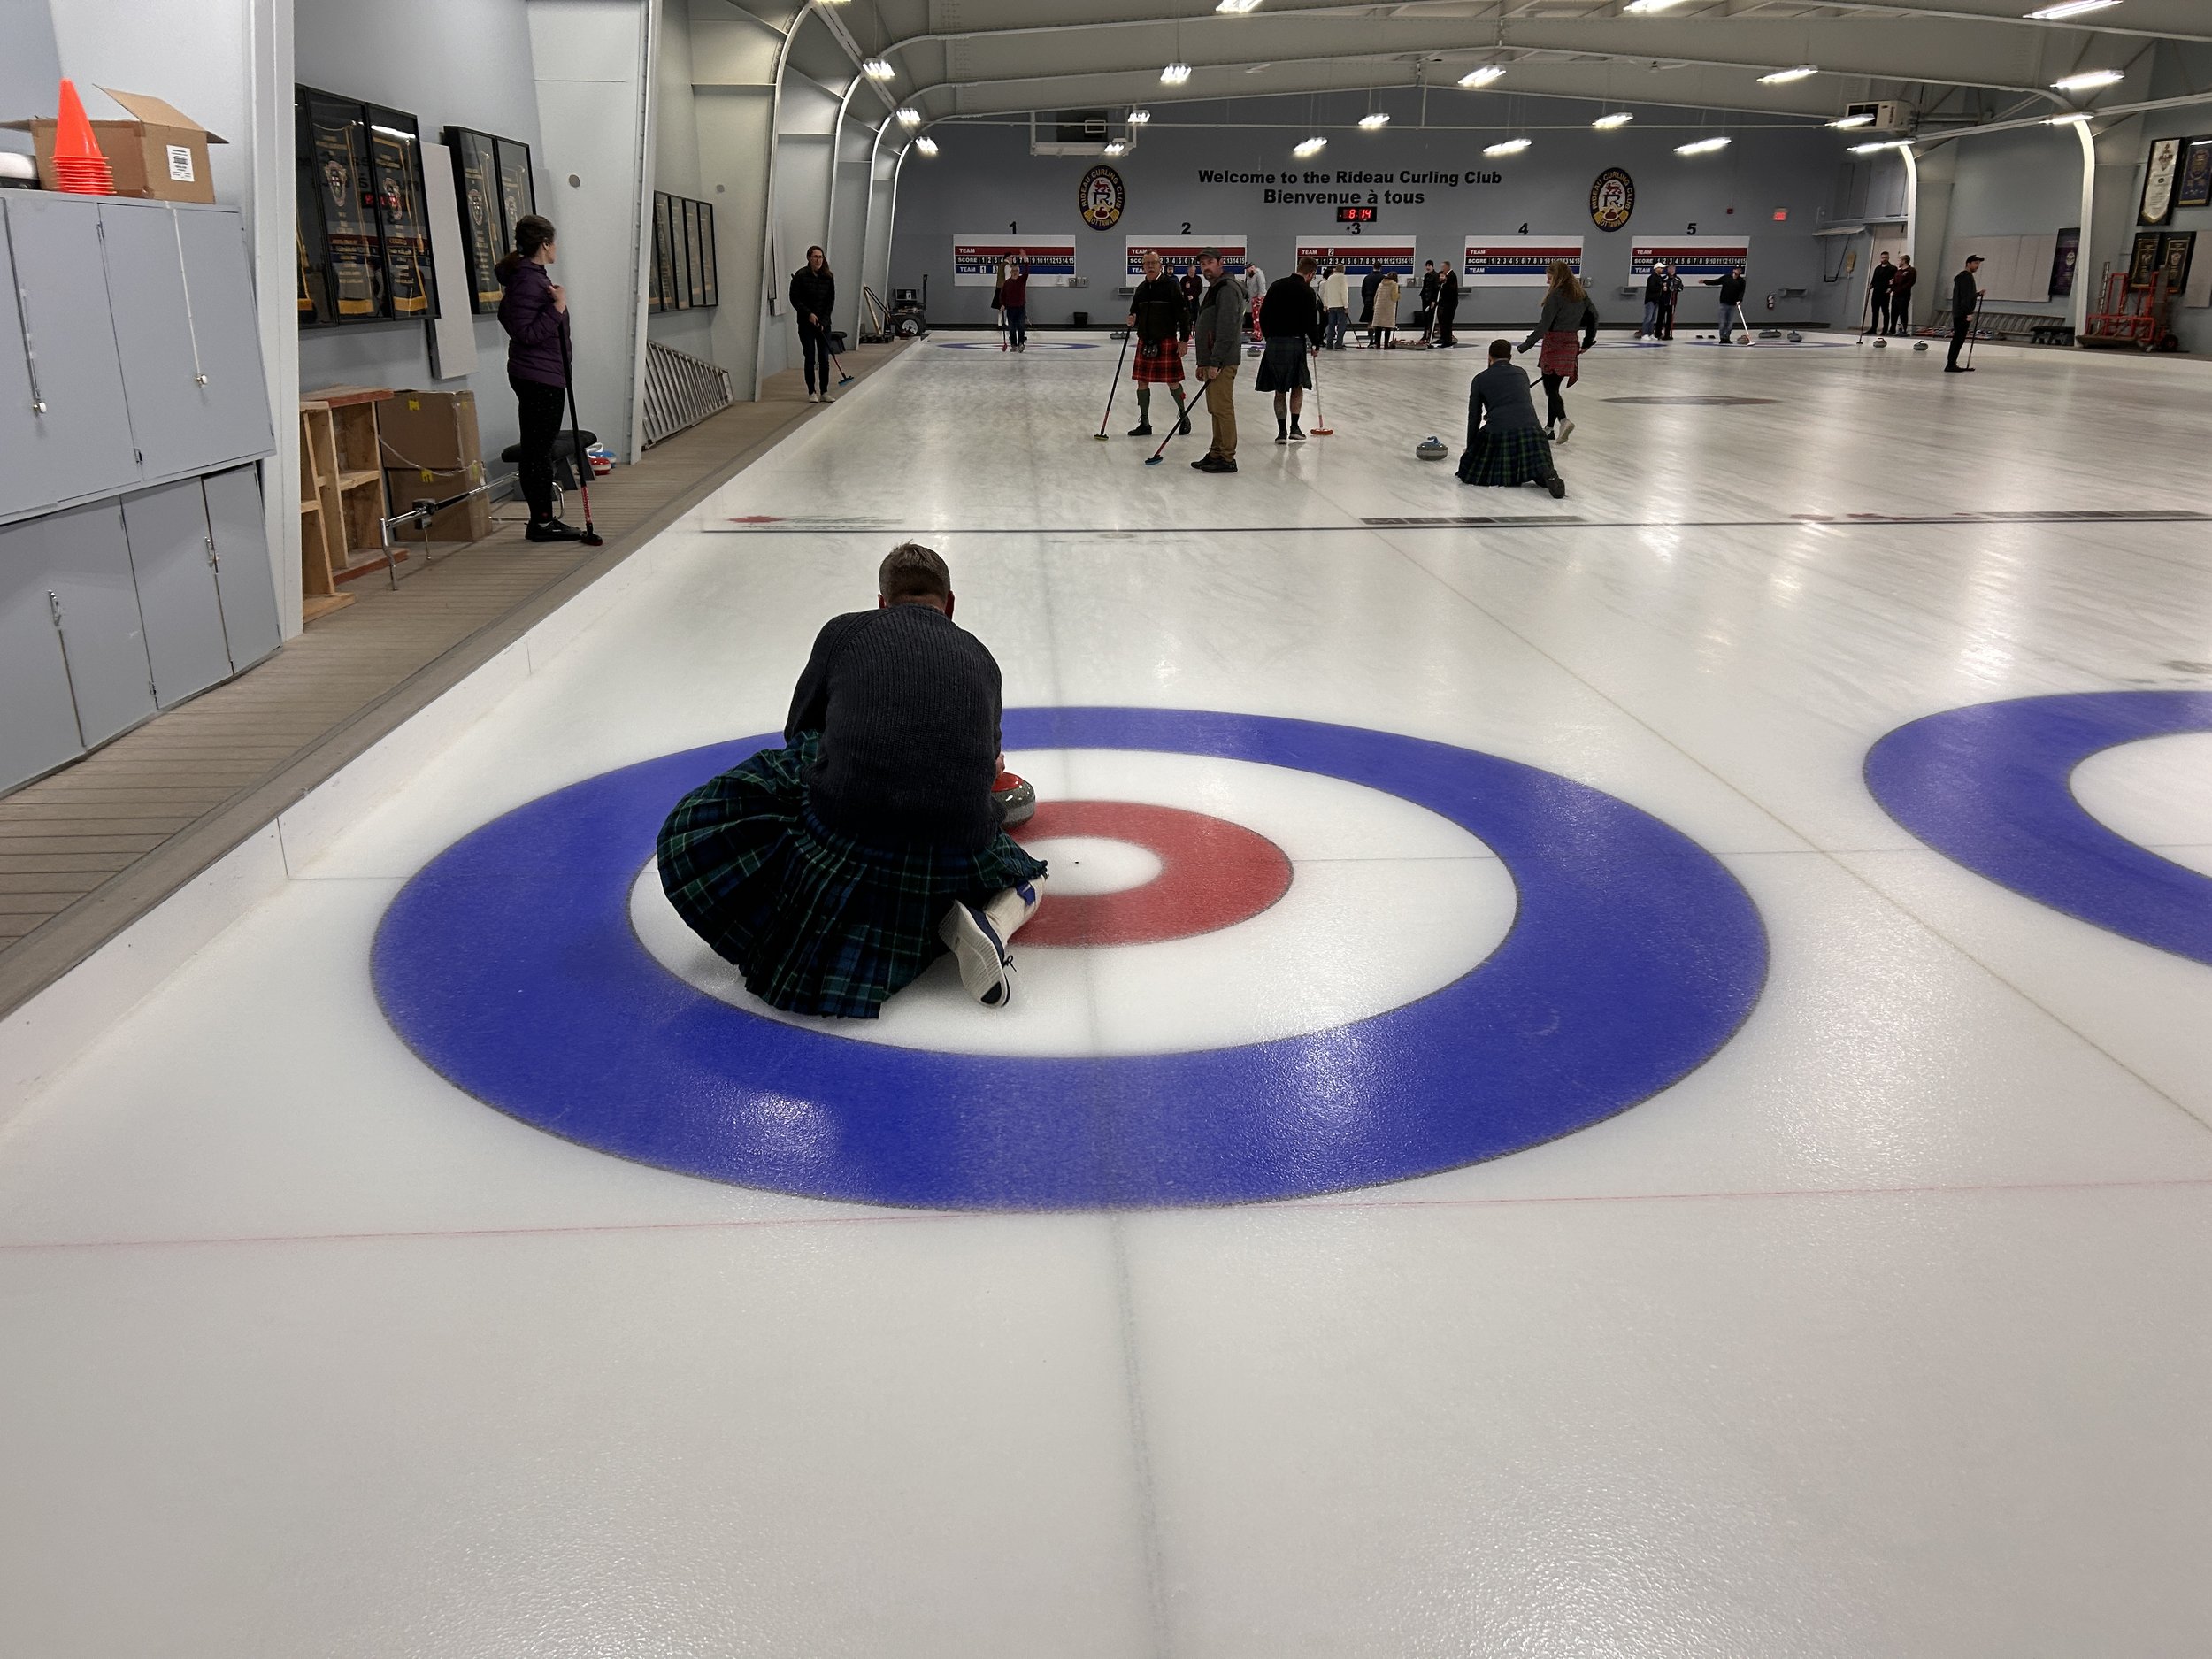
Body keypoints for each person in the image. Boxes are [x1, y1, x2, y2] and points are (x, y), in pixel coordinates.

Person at [656, 542, 1048, 1017]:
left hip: (845, 832)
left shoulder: (846, 631)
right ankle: (993, 922)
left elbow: (800, 730)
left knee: (799, 759)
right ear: (950, 604)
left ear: (882, 602)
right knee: (1031, 875)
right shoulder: (983, 658)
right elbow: (989, 766)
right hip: (955, 844)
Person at [495, 213, 583, 543]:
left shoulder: (532, 277)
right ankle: (542, 522)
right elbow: (526, 333)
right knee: (538, 451)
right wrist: (557, 307)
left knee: (540, 448)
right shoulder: (527, 281)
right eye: (554, 242)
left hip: (546, 373)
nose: (556, 247)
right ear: (545, 245)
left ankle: (543, 520)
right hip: (537, 376)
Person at [1458, 338, 1566, 500]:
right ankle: (1546, 474)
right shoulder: (1521, 373)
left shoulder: (1480, 379)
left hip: (1500, 432)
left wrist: (1470, 447)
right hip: (1534, 433)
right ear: (1510, 357)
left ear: (1489, 356)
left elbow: (1473, 416)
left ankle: (1514, 475)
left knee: (1467, 470)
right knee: (1534, 460)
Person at [1517, 259, 1599, 443]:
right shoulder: (1581, 294)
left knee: (1550, 389)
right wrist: (1587, 342)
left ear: (1557, 277)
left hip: (1554, 344)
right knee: (1554, 388)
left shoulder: (1555, 296)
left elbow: (1544, 325)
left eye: (1549, 277)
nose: (1547, 282)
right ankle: (1549, 429)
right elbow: (1594, 317)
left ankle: (1563, 420)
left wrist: (1526, 345)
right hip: (1571, 343)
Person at [1125, 249, 1192, 439]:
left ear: (1160, 265)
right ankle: (1145, 423)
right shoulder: (1141, 289)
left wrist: (1184, 340)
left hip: (1166, 340)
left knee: (1173, 382)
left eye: (1154, 262)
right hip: (1145, 340)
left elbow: (1183, 315)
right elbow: (1134, 312)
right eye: (1147, 263)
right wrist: (1132, 319)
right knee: (1142, 381)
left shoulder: (1171, 286)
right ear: (1143, 267)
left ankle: (1184, 416)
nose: (1151, 266)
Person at [1256, 257, 1325, 442]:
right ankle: (1295, 428)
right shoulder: (1307, 291)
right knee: (1297, 386)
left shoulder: (1277, 286)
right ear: (1311, 273)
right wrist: (1316, 342)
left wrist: (1269, 336)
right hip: (1295, 343)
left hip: (1275, 344)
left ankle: (1281, 433)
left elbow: (1263, 315)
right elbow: (1311, 321)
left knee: (1280, 390)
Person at [1190, 247, 1247, 473]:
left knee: (1222, 408)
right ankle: (1216, 451)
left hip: (1222, 361)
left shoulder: (1227, 289)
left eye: (1209, 263)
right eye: (1202, 264)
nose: (1206, 268)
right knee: (1215, 408)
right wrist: (1203, 362)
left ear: (1220, 263)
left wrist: (1215, 362)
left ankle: (1227, 458)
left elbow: (1225, 329)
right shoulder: (1215, 289)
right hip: (1212, 360)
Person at [789, 244, 837, 403]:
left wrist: (823, 321)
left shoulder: (828, 277)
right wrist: (808, 314)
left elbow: (830, 302)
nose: (818, 260)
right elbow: (795, 299)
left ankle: (824, 391)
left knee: (824, 357)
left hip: (823, 324)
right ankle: (812, 391)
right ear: (809, 258)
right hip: (806, 323)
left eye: (821, 257)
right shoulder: (800, 276)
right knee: (810, 356)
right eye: (815, 257)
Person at [1946, 254, 1983, 372]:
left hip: (1959, 311)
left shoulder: (1963, 277)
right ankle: (1950, 364)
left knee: (1958, 338)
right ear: (1968, 264)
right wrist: (1968, 313)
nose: (1977, 266)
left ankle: (1952, 363)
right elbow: (1966, 297)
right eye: (1975, 263)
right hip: (1963, 312)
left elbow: (1966, 295)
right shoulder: (1967, 277)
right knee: (1958, 339)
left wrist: (1977, 294)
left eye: (1978, 264)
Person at [1701, 265, 1748, 342]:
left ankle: (1727, 337)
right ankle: (1722, 338)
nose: (1738, 271)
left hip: (1733, 305)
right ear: (1734, 270)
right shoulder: (1726, 278)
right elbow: (1716, 282)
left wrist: (1739, 300)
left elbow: (1742, 292)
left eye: (1740, 270)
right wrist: (1705, 281)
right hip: (1724, 303)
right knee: (1722, 323)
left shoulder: (1742, 281)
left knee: (1729, 324)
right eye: (1737, 270)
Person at [1000, 257, 1029, 351]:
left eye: (1017, 270)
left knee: (1021, 326)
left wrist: (1025, 261)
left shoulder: (1022, 280)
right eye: (1013, 270)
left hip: (1021, 308)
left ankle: (1021, 343)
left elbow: (1027, 272)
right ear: (1011, 272)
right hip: (1010, 308)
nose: (1015, 272)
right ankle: (1013, 344)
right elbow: (1002, 295)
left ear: (1018, 272)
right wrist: (1003, 304)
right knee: (1011, 327)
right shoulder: (1007, 283)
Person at [1319, 264, 1350, 349]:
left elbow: (1326, 293)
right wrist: (1346, 306)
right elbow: (1343, 292)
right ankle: (1338, 344)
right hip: (1340, 305)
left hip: (1331, 306)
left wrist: (1326, 305)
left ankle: (1329, 344)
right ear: (1343, 270)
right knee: (1341, 326)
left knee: (1331, 325)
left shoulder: (1330, 278)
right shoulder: (1342, 278)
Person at [1868, 250, 1898, 337]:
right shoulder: (1877, 268)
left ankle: (1885, 329)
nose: (1884, 259)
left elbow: (1894, 280)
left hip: (1885, 292)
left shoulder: (1893, 268)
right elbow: (1874, 279)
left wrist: (1891, 289)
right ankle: (1873, 328)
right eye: (1882, 257)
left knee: (1885, 311)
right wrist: (1871, 285)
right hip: (1876, 292)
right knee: (1875, 311)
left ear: (1888, 258)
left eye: (1885, 257)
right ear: (1880, 258)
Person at [1369, 269, 1400, 350]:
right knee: (1388, 327)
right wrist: (1399, 295)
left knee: (1378, 327)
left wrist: (1375, 306)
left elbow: (1376, 296)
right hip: (1389, 307)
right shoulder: (1394, 284)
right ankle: (1386, 345)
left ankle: (1378, 344)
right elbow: (1394, 297)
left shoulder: (1381, 284)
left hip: (1379, 307)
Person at [1434, 261, 1461, 348]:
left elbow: (1451, 290)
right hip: (1444, 303)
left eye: (1443, 267)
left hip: (1450, 303)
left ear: (1447, 267)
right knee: (1442, 321)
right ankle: (1443, 337)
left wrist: (1444, 284)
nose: (1442, 269)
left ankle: (1447, 340)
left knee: (1447, 322)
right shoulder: (1447, 277)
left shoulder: (1451, 276)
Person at [1891, 254, 1918, 334]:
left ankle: (1903, 329)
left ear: (1904, 261)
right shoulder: (1898, 272)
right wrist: (1892, 286)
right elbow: (1894, 282)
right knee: (1894, 312)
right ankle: (1892, 329)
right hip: (1895, 295)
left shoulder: (1911, 271)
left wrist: (1899, 289)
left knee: (1903, 312)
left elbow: (1910, 283)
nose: (1898, 262)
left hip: (1904, 295)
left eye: (1900, 260)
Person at [1640, 264, 1667, 339]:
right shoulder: (1652, 278)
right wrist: (1661, 286)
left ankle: (1650, 333)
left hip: (1656, 301)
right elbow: (1652, 288)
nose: (1662, 270)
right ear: (1656, 268)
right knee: (1648, 318)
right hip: (1650, 301)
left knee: (1653, 319)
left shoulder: (1659, 278)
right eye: (1661, 268)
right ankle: (1645, 334)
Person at [1660, 264, 1685, 340]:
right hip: (1663, 301)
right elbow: (1660, 287)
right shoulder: (1664, 278)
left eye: (1673, 269)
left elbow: (1681, 288)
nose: (1671, 270)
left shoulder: (1677, 279)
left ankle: (1667, 334)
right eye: (1670, 269)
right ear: (1668, 270)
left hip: (1672, 302)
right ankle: (1659, 333)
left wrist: (1674, 289)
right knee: (1661, 318)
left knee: (1670, 318)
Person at [1417, 261, 1440, 340]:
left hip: (1431, 300)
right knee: (1425, 317)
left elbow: (1436, 289)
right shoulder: (1426, 276)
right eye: (1426, 265)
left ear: (1432, 266)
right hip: (1425, 299)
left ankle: (1431, 334)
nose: (1427, 267)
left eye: (1429, 265)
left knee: (1431, 317)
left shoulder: (1436, 276)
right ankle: (1425, 334)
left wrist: (1434, 301)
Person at [1359, 265, 1380, 334]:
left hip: (1368, 300)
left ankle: (1370, 339)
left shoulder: (1367, 277)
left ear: (1373, 267)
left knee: (1369, 322)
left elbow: (1363, 291)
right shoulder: (1382, 277)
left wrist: (1365, 301)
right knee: (1377, 322)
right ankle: (1376, 341)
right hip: (1378, 301)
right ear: (1381, 267)